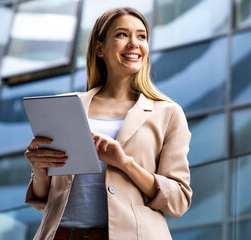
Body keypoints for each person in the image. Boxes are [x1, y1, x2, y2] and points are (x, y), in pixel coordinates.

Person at [24, 7, 192, 240]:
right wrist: (39, 171)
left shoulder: (168, 113)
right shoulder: (64, 107)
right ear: (100, 48)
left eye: (141, 36)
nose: (134, 43)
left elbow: (178, 201)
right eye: (122, 34)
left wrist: (125, 163)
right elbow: (44, 200)